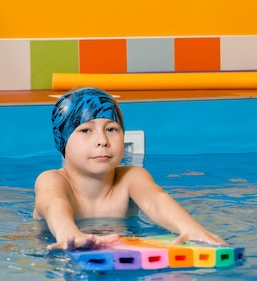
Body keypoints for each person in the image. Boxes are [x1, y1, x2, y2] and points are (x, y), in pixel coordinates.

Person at [33, 86, 227, 250]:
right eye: (86, 130)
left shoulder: (131, 177)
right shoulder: (52, 180)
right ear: (62, 142)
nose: (102, 141)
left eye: (111, 129)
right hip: (55, 250)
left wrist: (190, 228)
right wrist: (69, 233)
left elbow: (155, 200)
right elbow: (54, 204)